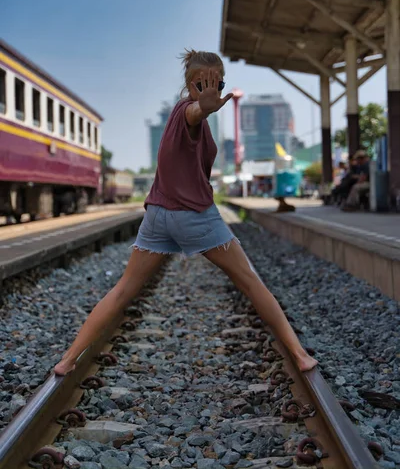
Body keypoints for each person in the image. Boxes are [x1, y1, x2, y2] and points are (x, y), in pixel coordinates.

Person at [54, 50, 317, 376]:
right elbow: (196, 112)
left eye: (218, 83)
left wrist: (203, 105)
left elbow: (196, 114)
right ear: (191, 86)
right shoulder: (188, 113)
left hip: (157, 218)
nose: (213, 89)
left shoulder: (181, 116)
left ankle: (67, 360)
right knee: (251, 281)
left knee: (123, 290)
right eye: (204, 84)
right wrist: (203, 105)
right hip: (195, 217)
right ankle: (299, 354)